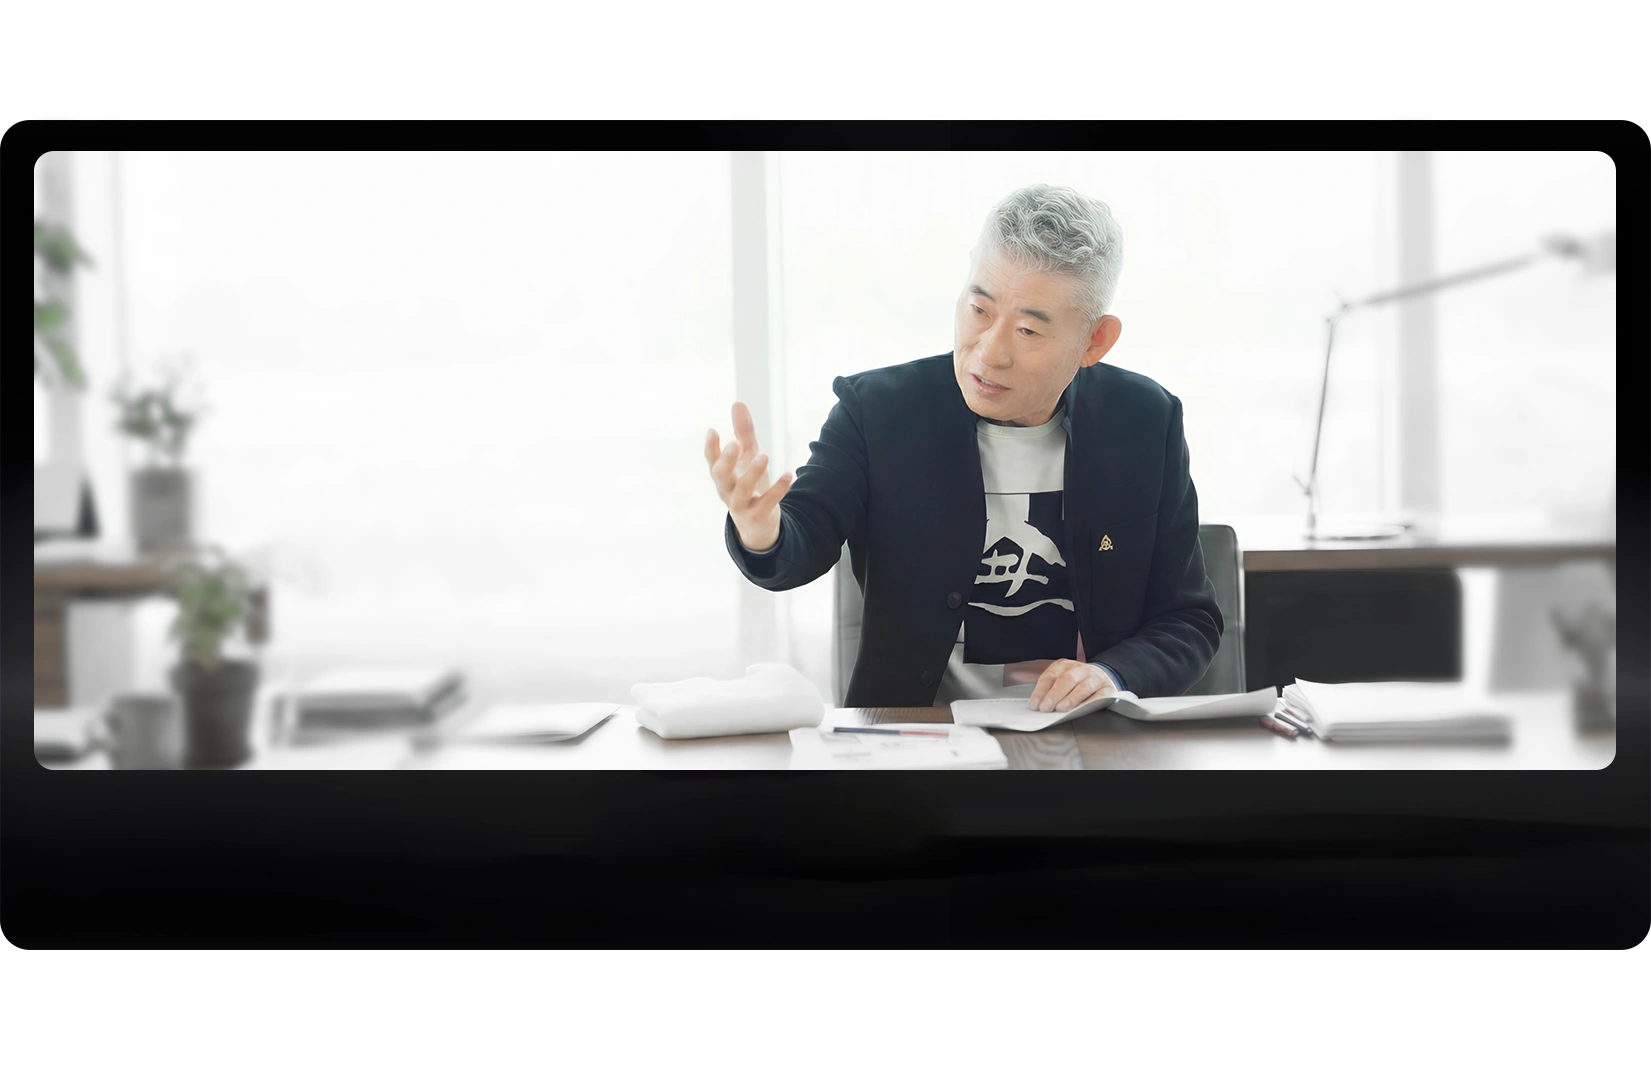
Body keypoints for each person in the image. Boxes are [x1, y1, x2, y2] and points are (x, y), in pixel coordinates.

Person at [704, 183, 1222, 710]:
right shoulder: (878, 412)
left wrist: (1113, 675)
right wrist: (761, 530)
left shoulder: (1145, 421)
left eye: (1028, 331)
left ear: (1095, 341)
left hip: (1088, 735)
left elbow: (1188, 618)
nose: (990, 353)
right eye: (979, 309)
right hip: (918, 737)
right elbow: (801, 546)